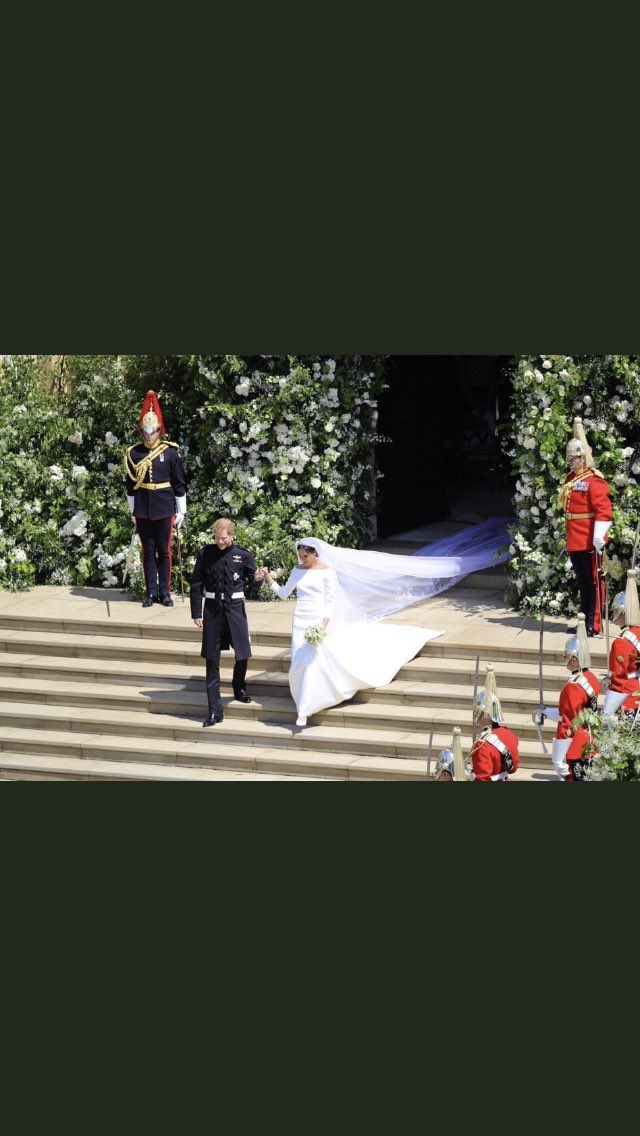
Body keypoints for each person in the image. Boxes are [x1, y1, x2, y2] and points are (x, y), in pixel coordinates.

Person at [261, 537, 443, 727]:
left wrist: (324, 623)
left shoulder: (326, 571)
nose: (303, 559)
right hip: (299, 620)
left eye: (305, 556)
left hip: (318, 619)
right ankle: (303, 698)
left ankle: (304, 709)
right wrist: (268, 577)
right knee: (299, 661)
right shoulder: (297, 571)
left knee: (311, 660)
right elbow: (284, 593)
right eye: (300, 556)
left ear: (314, 553)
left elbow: (331, 600)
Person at [190, 518, 266, 727]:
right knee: (211, 659)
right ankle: (214, 710)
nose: (220, 541)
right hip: (213, 610)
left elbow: (253, 583)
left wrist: (258, 578)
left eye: (223, 538)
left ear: (232, 535)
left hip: (235, 609)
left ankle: (238, 686)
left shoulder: (243, 555)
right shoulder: (205, 553)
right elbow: (196, 583)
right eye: (217, 538)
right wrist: (196, 612)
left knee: (243, 653)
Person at [125, 390, 187, 608]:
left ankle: (165, 593)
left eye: (153, 430)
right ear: (142, 430)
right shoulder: (134, 453)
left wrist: (181, 510)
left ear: (159, 430)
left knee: (165, 551)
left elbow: (178, 483)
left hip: (164, 507)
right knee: (148, 552)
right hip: (143, 508)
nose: (149, 434)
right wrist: (133, 511)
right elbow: (130, 486)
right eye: (146, 430)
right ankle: (151, 592)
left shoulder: (170, 452)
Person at [559, 417, 612, 636]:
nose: (570, 461)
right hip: (575, 538)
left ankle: (594, 624)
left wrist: (599, 536)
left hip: (590, 538)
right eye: (569, 457)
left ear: (583, 457)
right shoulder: (570, 478)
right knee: (583, 582)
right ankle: (583, 622)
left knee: (594, 583)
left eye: (574, 457)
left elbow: (603, 510)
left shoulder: (594, 480)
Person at [532, 614, 600, 781]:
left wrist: (557, 757)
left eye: (567, 656)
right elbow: (572, 712)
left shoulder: (573, 687)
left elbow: (568, 722)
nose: (565, 659)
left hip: (576, 745)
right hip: (589, 738)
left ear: (575, 659)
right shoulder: (591, 678)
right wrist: (546, 713)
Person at [468, 665, 520, 781]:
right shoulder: (509, 734)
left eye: (477, 712)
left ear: (486, 715)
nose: (475, 716)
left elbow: (482, 778)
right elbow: (513, 768)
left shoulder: (482, 745)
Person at [602, 569, 640, 720]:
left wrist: (609, 709)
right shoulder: (638, 632)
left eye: (615, 611)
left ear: (623, 612)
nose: (613, 614)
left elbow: (619, 678)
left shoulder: (621, 642)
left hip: (627, 696)